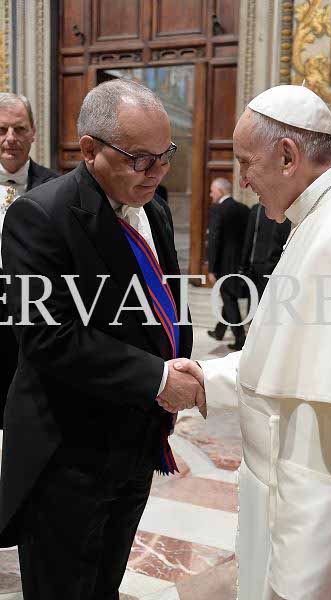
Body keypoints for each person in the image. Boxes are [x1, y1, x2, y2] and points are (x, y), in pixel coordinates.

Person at [160, 85, 331, 599]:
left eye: (247, 162)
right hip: (289, 515)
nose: (243, 180)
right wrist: (205, 379)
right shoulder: (327, 215)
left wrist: (295, 587)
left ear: (288, 156)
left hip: (318, 549)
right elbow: (285, 362)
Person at [0, 79, 205, 600]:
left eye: (166, 155)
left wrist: (181, 362)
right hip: (68, 454)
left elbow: (167, 300)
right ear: (90, 149)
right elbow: (48, 336)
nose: (158, 172)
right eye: (141, 159)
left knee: (104, 584)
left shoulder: (154, 207)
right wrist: (158, 377)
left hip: (135, 438)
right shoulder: (40, 214)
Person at [0, 92, 59, 427]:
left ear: (33, 133)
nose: (11, 138)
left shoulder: (57, 186)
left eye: (19, 129)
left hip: (40, 317)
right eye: (2, 129)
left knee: (32, 413)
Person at [207, 177, 250, 350]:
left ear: (220, 191)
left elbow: (214, 239)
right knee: (229, 295)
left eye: (212, 191)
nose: (211, 195)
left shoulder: (219, 209)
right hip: (240, 261)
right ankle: (219, 331)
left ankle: (240, 338)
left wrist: (211, 268)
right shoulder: (244, 209)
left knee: (228, 297)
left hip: (224, 263)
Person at [240, 203, 290, 298]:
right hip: (275, 262)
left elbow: (249, 238)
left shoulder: (257, 209)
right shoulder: (283, 208)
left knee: (255, 300)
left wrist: (243, 264)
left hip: (258, 262)